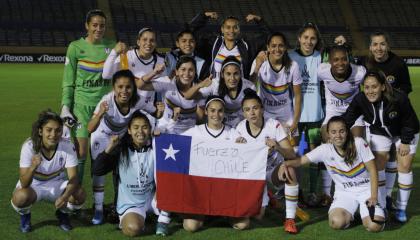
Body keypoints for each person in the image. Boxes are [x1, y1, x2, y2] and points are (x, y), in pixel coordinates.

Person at [88, 70, 163, 225]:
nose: (124, 91)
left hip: (121, 136)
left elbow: (156, 113)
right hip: (102, 134)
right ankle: (98, 209)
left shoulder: (138, 100)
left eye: (128, 87)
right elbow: (90, 128)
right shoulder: (107, 100)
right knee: (99, 173)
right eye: (120, 87)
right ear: (114, 88)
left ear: (133, 88)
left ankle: (119, 205)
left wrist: (160, 112)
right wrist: (100, 113)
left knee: (120, 170)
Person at [284, 116, 385, 232]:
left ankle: (373, 211)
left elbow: (373, 170)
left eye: (342, 131)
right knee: (336, 223)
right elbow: (300, 161)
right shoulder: (324, 149)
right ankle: (354, 214)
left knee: (374, 226)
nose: (338, 135)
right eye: (333, 132)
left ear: (347, 132)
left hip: (366, 191)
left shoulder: (359, 143)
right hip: (345, 193)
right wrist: (285, 164)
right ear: (328, 134)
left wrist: (373, 196)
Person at [343, 70, 419, 222]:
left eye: (374, 87)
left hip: (405, 132)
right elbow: (348, 119)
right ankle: (383, 204)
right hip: (380, 132)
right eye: (367, 87)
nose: (370, 91)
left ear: (383, 87)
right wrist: (338, 134)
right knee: (377, 166)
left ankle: (401, 208)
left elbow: (411, 122)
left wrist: (404, 142)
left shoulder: (399, 98)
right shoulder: (360, 99)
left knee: (404, 166)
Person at [60, 9, 116, 183]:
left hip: (104, 107)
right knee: (81, 151)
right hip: (81, 108)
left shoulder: (112, 46)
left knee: (101, 154)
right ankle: (74, 198)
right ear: (87, 26)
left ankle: (99, 204)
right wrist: (65, 106)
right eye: (95, 25)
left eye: (102, 25)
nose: (99, 29)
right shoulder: (75, 47)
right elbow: (68, 81)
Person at [236, 89, 300, 234]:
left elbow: (291, 153)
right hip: (252, 176)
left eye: (255, 108)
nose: (252, 113)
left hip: (272, 173)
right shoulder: (240, 129)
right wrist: (237, 147)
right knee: (258, 216)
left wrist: (277, 147)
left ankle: (290, 219)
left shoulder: (273, 125)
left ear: (262, 109)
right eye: (247, 110)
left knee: (289, 170)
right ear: (243, 113)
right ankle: (270, 198)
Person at [11, 110, 86, 232]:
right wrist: (32, 167)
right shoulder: (29, 146)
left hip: (56, 183)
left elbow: (74, 178)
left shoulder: (67, 145)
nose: (53, 134)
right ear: (41, 131)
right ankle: (25, 216)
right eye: (49, 130)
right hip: (34, 185)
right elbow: (24, 183)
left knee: (79, 194)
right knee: (20, 197)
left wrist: (65, 197)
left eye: (58, 130)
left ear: (62, 131)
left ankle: (63, 214)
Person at [182, 96, 249, 232]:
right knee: (190, 227)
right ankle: (206, 214)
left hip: (225, 194)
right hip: (201, 194)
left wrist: (243, 145)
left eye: (220, 111)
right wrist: (160, 134)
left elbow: (245, 158)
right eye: (212, 110)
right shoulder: (195, 131)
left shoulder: (232, 133)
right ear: (206, 111)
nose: (216, 115)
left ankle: (221, 213)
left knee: (243, 225)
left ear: (224, 113)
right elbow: (174, 144)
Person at [362, 31, 413, 210]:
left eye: (382, 44)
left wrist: (393, 102)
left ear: (388, 46)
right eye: (375, 44)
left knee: (398, 159)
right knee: (382, 158)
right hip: (376, 120)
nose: (379, 48)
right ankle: (383, 199)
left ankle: (394, 201)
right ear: (370, 47)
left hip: (396, 117)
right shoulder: (366, 62)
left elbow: (407, 87)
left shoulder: (398, 64)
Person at [92, 111, 157, 237]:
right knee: (132, 229)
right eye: (136, 127)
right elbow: (97, 170)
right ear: (129, 130)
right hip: (131, 204)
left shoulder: (157, 147)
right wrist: (109, 148)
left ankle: (149, 217)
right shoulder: (121, 150)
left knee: (190, 219)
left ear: (150, 130)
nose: (140, 131)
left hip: (154, 200)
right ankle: (143, 220)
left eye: (144, 127)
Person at [317, 45, 366, 202]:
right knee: (328, 145)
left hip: (354, 114)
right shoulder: (322, 71)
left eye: (344, 59)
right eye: (336, 59)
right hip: (332, 114)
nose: (340, 63)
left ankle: (354, 186)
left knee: (356, 144)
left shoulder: (360, 72)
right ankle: (326, 192)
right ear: (330, 61)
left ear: (348, 58)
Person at [289, 23, 325, 206]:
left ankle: (312, 192)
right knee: (294, 154)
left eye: (313, 38)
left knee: (313, 154)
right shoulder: (290, 56)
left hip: (315, 115)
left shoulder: (321, 57)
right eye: (305, 37)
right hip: (294, 116)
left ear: (317, 41)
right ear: (299, 38)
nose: (309, 41)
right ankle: (298, 192)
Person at [252, 32, 302, 146]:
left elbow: (298, 96)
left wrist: (295, 121)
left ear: (285, 47)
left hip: (285, 112)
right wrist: (257, 66)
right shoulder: (260, 62)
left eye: (281, 45)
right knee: (266, 146)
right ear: (268, 47)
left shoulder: (293, 66)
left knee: (293, 145)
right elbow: (251, 85)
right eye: (273, 46)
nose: (277, 49)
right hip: (266, 111)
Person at [190, 12, 271, 79]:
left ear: (239, 30)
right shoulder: (213, 44)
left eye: (235, 27)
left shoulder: (247, 46)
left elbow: (270, 38)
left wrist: (258, 19)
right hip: (217, 94)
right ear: (222, 29)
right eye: (228, 27)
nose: (231, 30)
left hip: (239, 95)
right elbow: (190, 32)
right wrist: (204, 16)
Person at [137, 56, 205, 134]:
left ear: (195, 72)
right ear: (176, 71)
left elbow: (201, 119)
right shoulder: (167, 82)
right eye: (183, 69)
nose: (186, 73)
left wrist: (197, 99)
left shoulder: (200, 88)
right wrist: (154, 72)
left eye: (191, 70)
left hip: (189, 131)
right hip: (165, 127)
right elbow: (140, 85)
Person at [183, 56, 256, 128]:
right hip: (219, 118)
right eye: (228, 74)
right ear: (222, 74)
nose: (232, 78)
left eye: (236, 74)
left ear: (240, 74)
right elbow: (187, 96)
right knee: (201, 111)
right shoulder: (214, 84)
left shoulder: (249, 87)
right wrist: (200, 85)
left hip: (240, 119)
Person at [102, 27, 166, 106]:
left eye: (152, 40)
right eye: (145, 39)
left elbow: (162, 87)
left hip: (146, 107)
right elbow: (106, 75)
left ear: (155, 43)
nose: (148, 43)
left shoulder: (160, 61)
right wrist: (114, 52)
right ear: (138, 42)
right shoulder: (128, 56)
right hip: (125, 106)